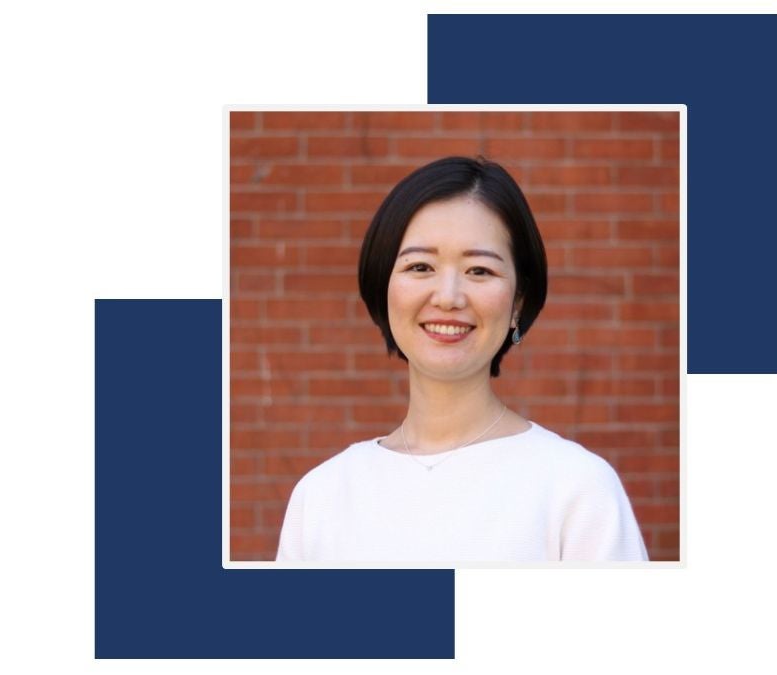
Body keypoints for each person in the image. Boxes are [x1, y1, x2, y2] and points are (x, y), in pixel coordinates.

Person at [275, 156, 648, 563]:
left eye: (479, 271)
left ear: (518, 302)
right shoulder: (322, 496)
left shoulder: (579, 490)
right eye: (420, 267)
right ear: (384, 286)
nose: (448, 297)